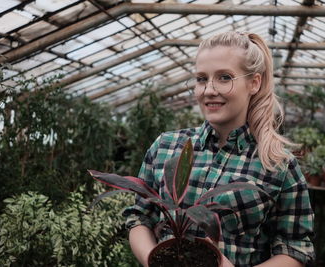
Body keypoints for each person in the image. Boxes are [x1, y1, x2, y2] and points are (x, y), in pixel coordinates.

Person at [123, 31, 314, 267]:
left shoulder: (277, 164)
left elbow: (295, 247)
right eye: (201, 79)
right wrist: (153, 261)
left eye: (225, 77)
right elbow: (139, 216)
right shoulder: (166, 146)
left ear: (254, 83)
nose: (209, 90)